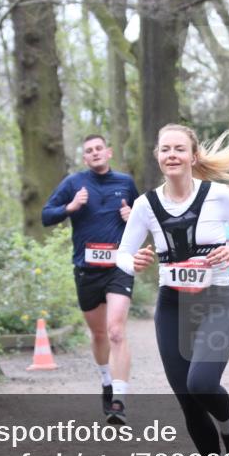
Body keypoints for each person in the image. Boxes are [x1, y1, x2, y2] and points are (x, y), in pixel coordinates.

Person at [116, 124, 229, 456]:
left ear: (193, 155)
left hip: (216, 301)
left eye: (179, 149)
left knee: (202, 381)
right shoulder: (146, 206)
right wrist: (133, 262)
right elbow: (122, 254)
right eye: (165, 148)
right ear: (157, 156)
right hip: (172, 306)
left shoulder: (216, 195)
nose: (172, 155)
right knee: (187, 397)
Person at [42, 134, 139, 425]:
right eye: (89, 151)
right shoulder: (73, 184)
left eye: (99, 148)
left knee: (116, 331)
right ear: (85, 158)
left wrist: (132, 216)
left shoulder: (125, 182)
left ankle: (119, 400)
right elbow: (46, 215)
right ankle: (107, 382)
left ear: (108, 152)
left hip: (119, 266)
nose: (95, 153)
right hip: (86, 269)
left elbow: (143, 220)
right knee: (98, 335)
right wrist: (70, 208)